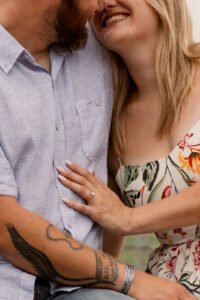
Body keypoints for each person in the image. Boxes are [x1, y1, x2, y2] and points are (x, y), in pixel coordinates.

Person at [0, 0, 194, 300]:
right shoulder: (116, 99)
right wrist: (127, 279)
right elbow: (6, 226)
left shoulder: (94, 55)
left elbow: (115, 209)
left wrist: (127, 220)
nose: (101, 3)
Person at [56, 0, 200, 298]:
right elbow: (110, 226)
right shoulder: (113, 123)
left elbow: (119, 217)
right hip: (171, 288)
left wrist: (128, 217)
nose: (105, 3)